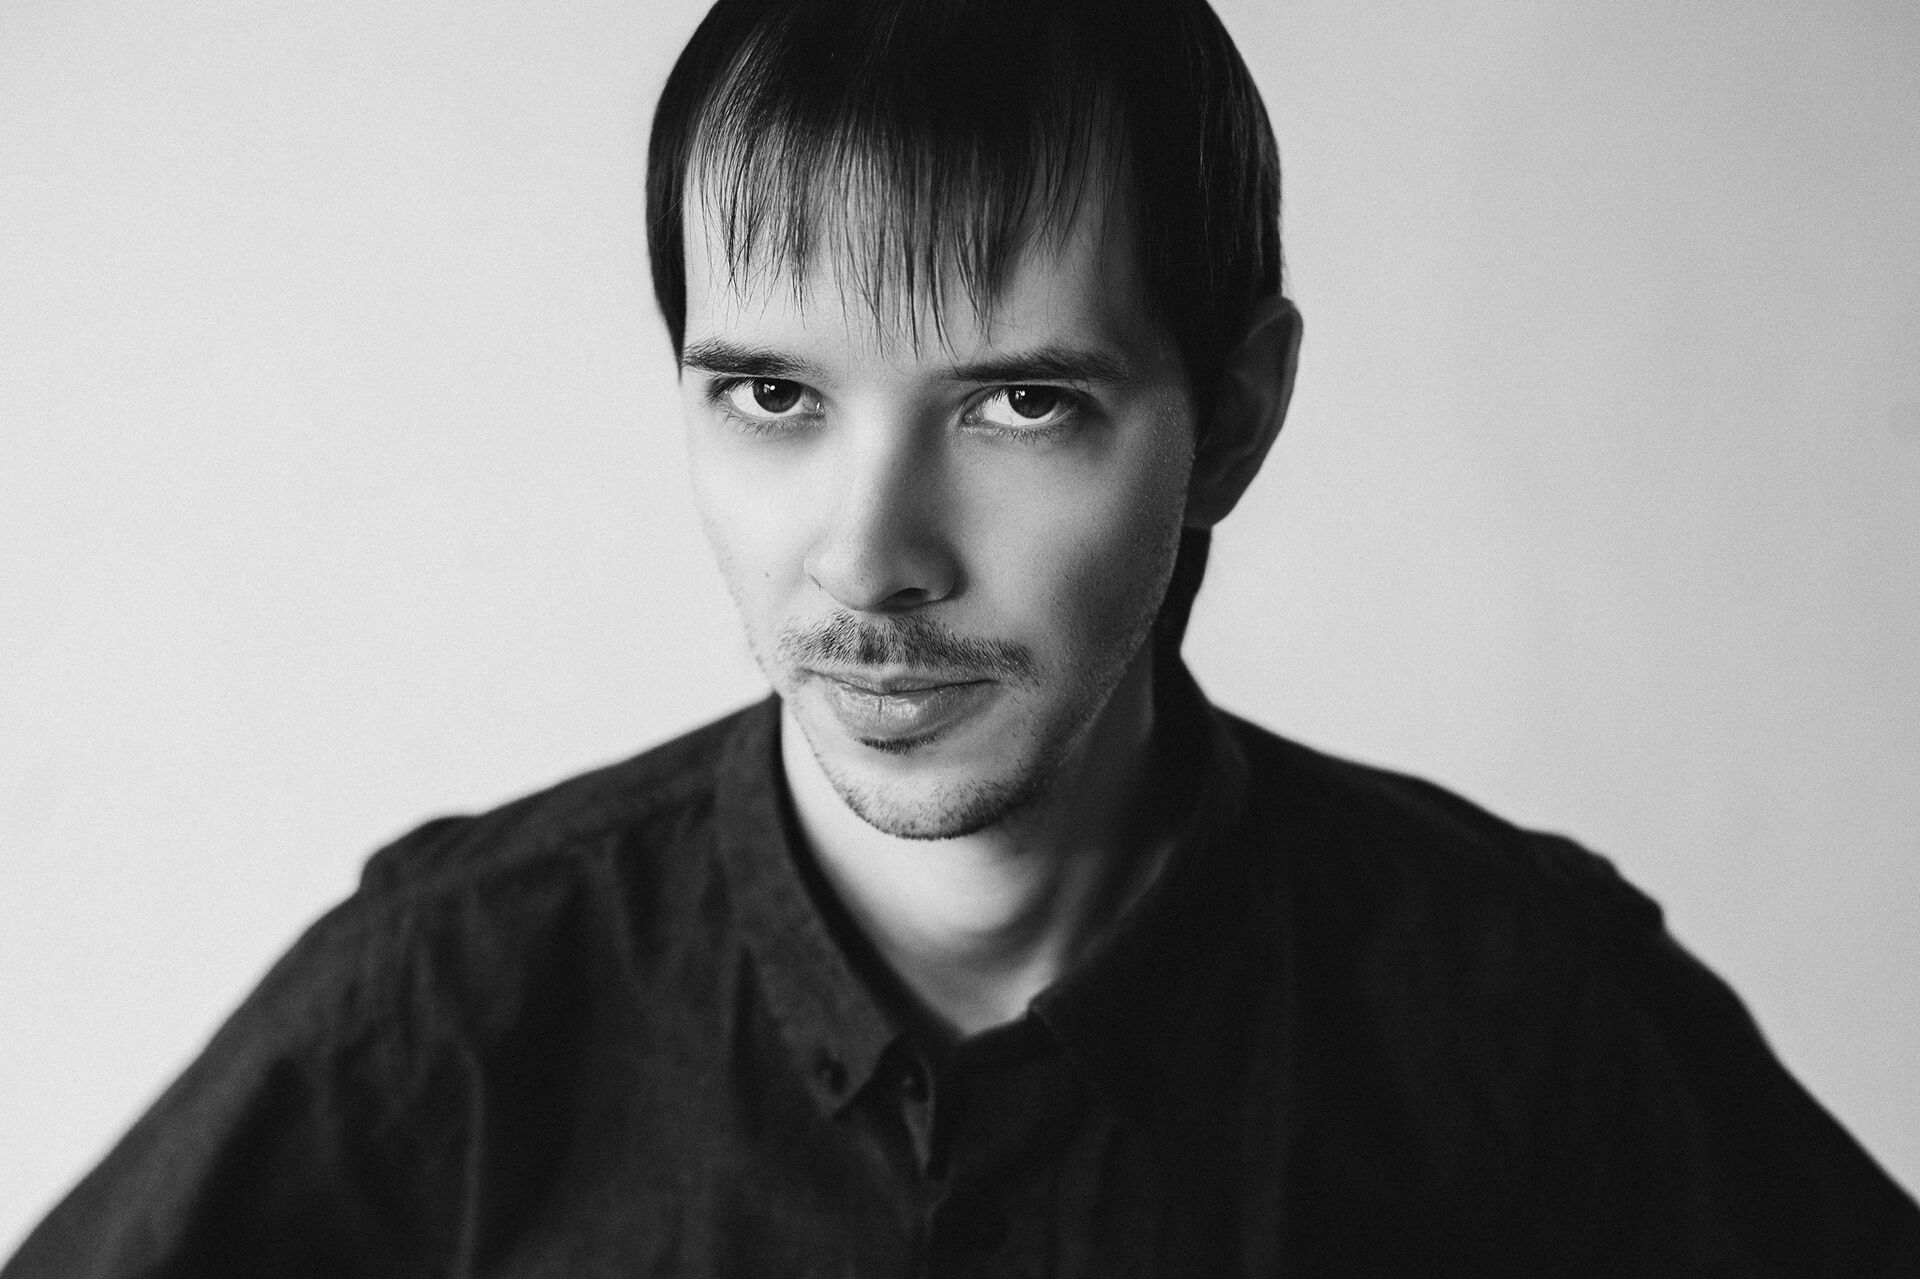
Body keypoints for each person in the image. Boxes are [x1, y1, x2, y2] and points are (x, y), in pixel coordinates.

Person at [7, 0, 1917, 1273]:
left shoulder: (1527, 1018)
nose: (869, 561)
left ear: (1232, 420)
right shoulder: (445, 1011)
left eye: (1019, 404)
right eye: (771, 396)